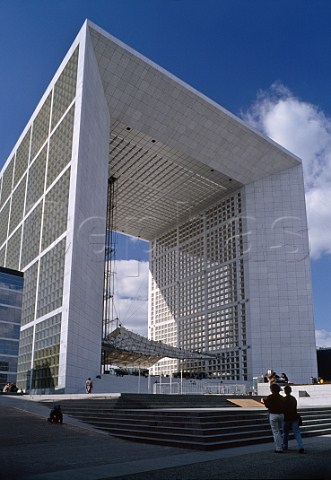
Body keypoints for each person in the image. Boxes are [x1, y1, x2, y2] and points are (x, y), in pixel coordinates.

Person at [263, 382, 285, 453]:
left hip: (273, 415)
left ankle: (278, 448)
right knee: (281, 430)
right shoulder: (281, 397)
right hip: (281, 415)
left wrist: (264, 401)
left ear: (272, 390)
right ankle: (282, 444)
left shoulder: (270, 397)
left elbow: (267, 405)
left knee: (276, 432)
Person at [282, 385, 304, 453]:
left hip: (286, 418)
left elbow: (283, 409)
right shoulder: (293, 398)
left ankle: (285, 445)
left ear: (285, 391)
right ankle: (301, 446)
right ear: (290, 391)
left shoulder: (284, 399)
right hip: (294, 416)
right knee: (297, 432)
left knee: (285, 433)